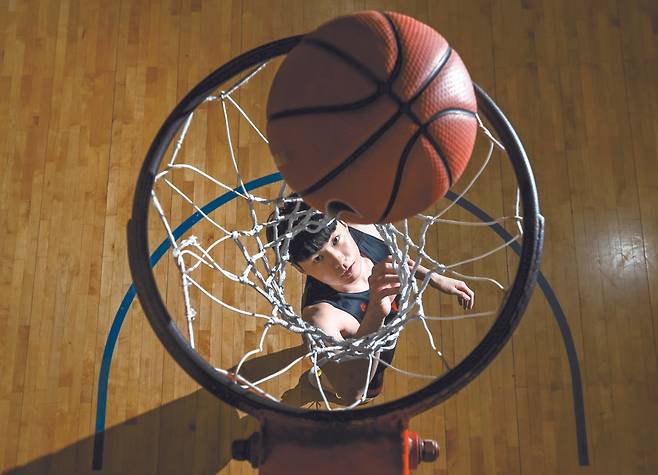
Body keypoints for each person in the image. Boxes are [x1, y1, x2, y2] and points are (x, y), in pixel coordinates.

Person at [267, 199, 475, 404]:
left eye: (336, 240)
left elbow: (393, 258)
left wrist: (434, 277)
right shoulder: (321, 317)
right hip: (366, 368)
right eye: (318, 259)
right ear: (300, 269)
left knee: (327, 351)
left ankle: (324, 356)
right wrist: (376, 312)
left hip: (383, 336)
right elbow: (351, 392)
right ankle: (318, 382)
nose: (339, 261)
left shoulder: (364, 226)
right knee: (365, 392)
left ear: (344, 224)